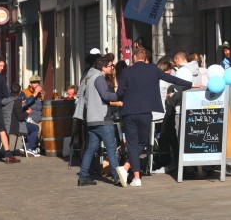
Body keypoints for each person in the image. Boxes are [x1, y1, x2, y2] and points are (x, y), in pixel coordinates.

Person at [114, 47, 191, 187]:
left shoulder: (126, 71)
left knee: (132, 143)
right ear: (145, 58)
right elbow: (171, 78)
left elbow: (119, 93)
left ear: (134, 58)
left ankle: (135, 177)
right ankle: (128, 171)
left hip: (128, 111)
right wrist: (191, 84)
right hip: (145, 112)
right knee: (142, 143)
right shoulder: (153, 69)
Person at [75, 53, 123, 187]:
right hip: (102, 118)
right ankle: (117, 176)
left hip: (91, 118)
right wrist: (119, 95)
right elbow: (105, 95)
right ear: (103, 68)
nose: (111, 68)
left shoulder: (89, 78)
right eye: (110, 66)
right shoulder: (99, 78)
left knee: (91, 148)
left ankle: (83, 176)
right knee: (111, 148)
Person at [19, 75, 44, 156]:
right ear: (30, 84)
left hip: (39, 119)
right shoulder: (24, 92)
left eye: (38, 83)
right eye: (34, 83)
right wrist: (35, 93)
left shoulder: (41, 93)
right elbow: (24, 105)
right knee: (37, 128)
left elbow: (41, 107)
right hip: (29, 118)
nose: (36, 84)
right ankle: (29, 147)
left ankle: (34, 147)